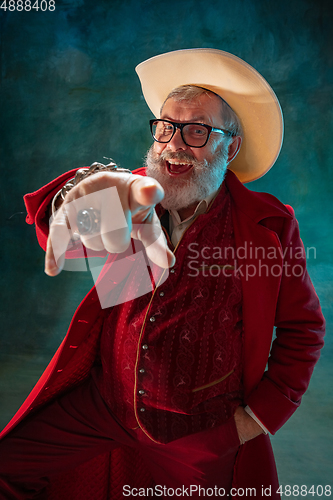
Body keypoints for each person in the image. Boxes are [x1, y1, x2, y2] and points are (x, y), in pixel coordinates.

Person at [0, 49, 325, 499]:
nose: (174, 143)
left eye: (196, 131)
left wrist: (250, 423)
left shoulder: (268, 226)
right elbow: (66, 228)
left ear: (229, 147)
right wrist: (74, 195)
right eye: (166, 127)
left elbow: (302, 330)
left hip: (199, 434)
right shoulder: (132, 194)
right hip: (104, 408)